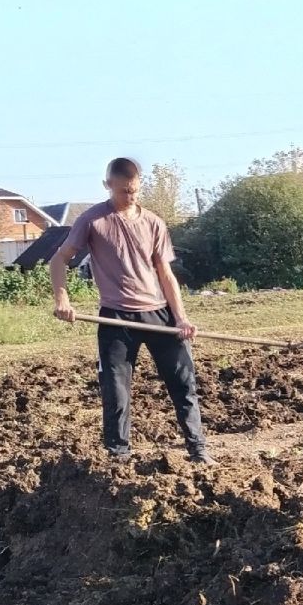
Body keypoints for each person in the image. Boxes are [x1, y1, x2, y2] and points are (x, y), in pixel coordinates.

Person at [50, 157, 209, 464]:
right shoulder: (93, 221)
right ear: (108, 185)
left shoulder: (153, 222)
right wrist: (62, 300)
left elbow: (166, 274)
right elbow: (59, 260)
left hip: (158, 313)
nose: (130, 197)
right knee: (116, 391)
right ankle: (118, 458)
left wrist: (182, 318)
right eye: (124, 191)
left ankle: (198, 450)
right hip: (115, 317)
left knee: (184, 382)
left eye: (135, 190)